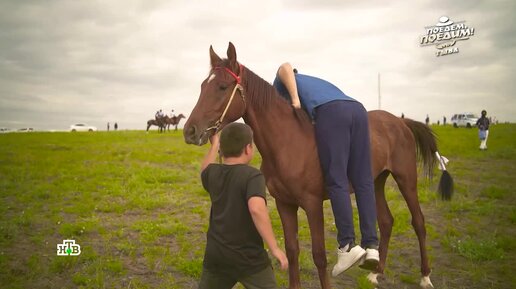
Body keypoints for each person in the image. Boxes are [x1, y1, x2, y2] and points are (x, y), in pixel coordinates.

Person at [273, 63, 379, 276]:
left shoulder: (279, 86)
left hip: (332, 112)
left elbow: (284, 67)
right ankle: (371, 246)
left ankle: (347, 246)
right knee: (363, 181)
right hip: (357, 109)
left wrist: (293, 100)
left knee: (336, 179)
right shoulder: (313, 83)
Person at [198, 123, 288, 289]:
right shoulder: (252, 176)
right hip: (249, 259)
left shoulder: (212, 173)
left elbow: (204, 170)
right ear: (248, 149)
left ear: (222, 151)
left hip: (216, 256)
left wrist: (214, 144)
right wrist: (274, 248)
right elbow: (256, 208)